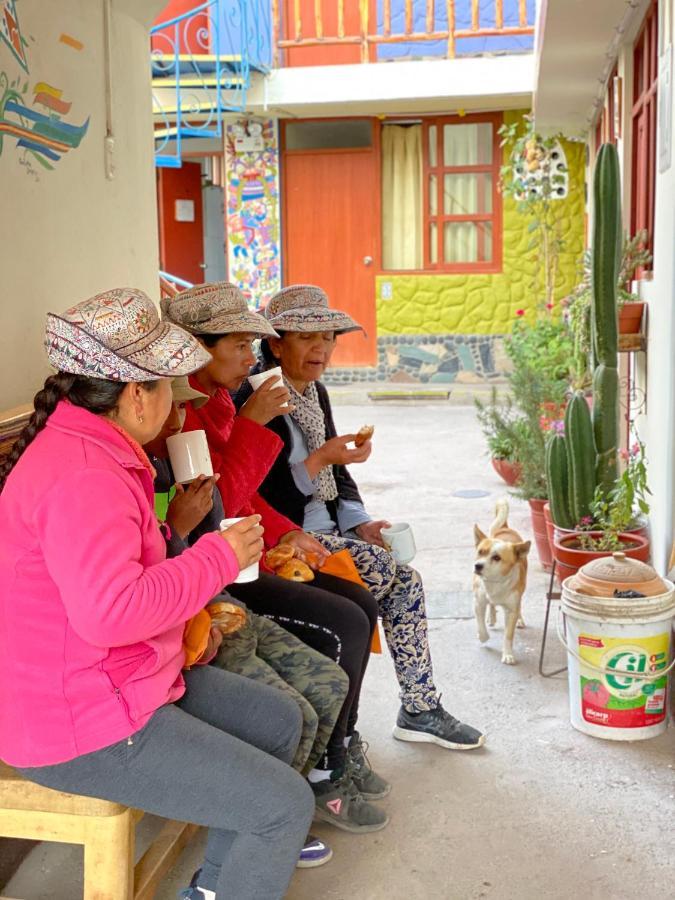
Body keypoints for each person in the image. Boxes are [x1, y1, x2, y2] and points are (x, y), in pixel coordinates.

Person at [0, 288, 315, 900]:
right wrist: (217, 557)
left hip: (121, 682)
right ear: (135, 394)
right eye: (169, 385)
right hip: (77, 723)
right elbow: (110, 612)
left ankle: (215, 888)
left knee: (276, 721)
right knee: (281, 808)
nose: (176, 400)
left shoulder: (96, 451)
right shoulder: (85, 475)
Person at [161, 283, 389, 834]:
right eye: (240, 344)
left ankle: (340, 748)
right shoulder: (190, 410)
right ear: (196, 347)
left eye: (327, 338)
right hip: (217, 568)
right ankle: (320, 772)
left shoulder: (218, 398)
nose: (251, 356)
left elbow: (244, 501)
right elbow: (221, 506)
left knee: (361, 599)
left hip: (240, 550)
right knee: (343, 620)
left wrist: (292, 531)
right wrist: (255, 426)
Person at [237, 284, 485, 752]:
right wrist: (318, 460)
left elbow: (340, 481)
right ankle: (344, 732)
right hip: (284, 538)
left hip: (327, 530)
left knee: (403, 578)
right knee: (390, 573)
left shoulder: (315, 393)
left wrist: (361, 524)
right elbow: (257, 497)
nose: (322, 349)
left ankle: (419, 708)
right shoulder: (257, 399)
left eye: (329, 337)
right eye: (308, 338)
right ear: (274, 343)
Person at [146, 376, 351, 868]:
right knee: (288, 709)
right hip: (185, 625)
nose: (178, 419)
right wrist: (178, 525)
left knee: (329, 679)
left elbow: (231, 512)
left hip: (211, 604)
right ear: (134, 401)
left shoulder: (170, 457)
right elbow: (148, 578)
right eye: (169, 406)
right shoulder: (137, 478)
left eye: (182, 409)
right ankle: (263, 822)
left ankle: (292, 796)